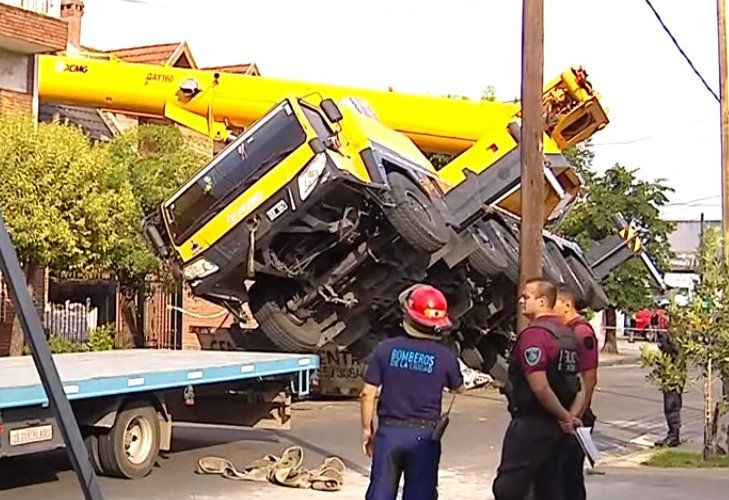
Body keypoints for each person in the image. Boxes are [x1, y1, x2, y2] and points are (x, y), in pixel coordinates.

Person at [360, 283, 465, 500]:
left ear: (408, 315)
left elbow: (367, 393)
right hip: (425, 437)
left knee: (380, 493)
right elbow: (459, 388)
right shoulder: (446, 357)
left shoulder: (385, 349)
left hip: (389, 433)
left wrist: (367, 431)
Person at [492, 277, 584, 500]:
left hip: (532, 423)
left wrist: (564, 417)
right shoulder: (568, 335)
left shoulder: (535, 335)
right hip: (559, 428)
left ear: (543, 301)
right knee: (549, 487)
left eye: (526, 297)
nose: (521, 301)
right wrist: (571, 417)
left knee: (508, 488)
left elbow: (540, 387)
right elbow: (580, 386)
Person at [554, 283, 599, 500]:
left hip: (576, 417)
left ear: (566, 305)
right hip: (565, 413)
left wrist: (576, 415)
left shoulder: (581, 333)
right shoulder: (563, 331)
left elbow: (589, 379)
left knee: (570, 477)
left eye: (553, 304)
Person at [655, 303, 682, 447]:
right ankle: (672, 434)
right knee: (669, 405)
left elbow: (674, 352)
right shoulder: (669, 332)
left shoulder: (676, 335)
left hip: (674, 373)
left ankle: (674, 435)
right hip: (669, 372)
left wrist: (664, 342)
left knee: (672, 405)